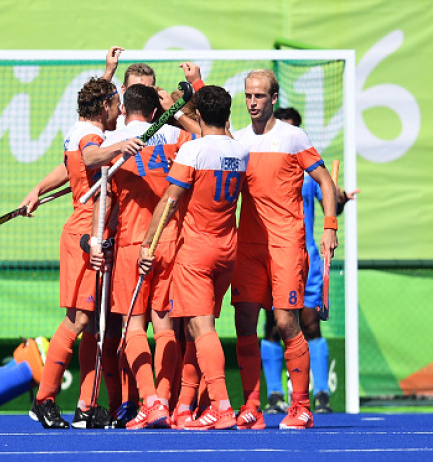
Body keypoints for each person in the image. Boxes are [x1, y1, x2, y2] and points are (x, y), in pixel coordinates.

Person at [24, 77, 143, 429]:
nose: (121, 111)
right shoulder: (92, 138)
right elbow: (91, 156)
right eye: (116, 104)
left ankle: (86, 406)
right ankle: (43, 400)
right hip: (87, 235)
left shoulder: (80, 129)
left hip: (93, 232)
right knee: (78, 320)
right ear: (103, 106)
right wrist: (121, 147)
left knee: (92, 324)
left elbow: (71, 165)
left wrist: (36, 188)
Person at [231, 70, 338, 430]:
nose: (252, 102)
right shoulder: (238, 140)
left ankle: (303, 406)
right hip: (248, 247)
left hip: (286, 244)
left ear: (273, 98)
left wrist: (329, 227)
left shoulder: (293, 137)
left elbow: (324, 180)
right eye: (248, 96)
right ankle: (251, 406)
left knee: (285, 322)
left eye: (259, 96)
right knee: (244, 321)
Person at [138, 84, 248, 430]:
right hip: (228, 249)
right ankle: (185, 405)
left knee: (201, 329)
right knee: (193, 327)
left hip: (196, 250)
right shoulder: (241, 151)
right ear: (228, 115)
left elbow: (170, 200)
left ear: (198, 115)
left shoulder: (194, 152)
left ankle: (222, 405)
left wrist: (148, 245)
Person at [89, 83, 193, 430]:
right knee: (165, 327)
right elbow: (208, 139)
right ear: (153, 112)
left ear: (125, 110)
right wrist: (178, 113)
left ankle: (149, 400)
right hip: (169, 240)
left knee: (133, 326)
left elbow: (103, 198)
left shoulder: (112, 144)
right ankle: (163, 400)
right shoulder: (177, 139)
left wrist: (95, 239)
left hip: (133, 243)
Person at [261, 108, 359, 415]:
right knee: (273, 326)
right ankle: (276, 394)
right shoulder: (263, 159)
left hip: (306, 258)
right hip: (270, 254)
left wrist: (339, 202)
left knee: (310, 324)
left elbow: (332, 203)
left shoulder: (310, 171)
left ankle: (320, 394)